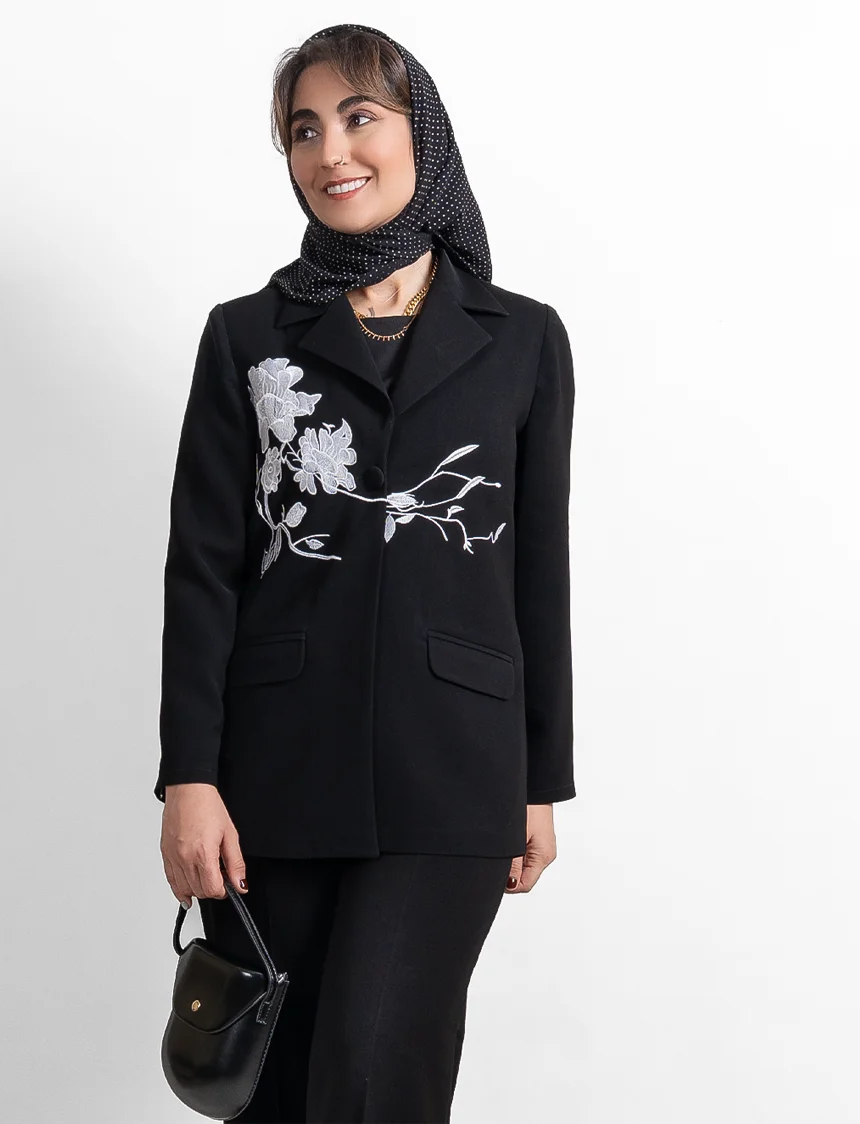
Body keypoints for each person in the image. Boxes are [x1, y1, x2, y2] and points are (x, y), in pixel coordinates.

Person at [156, 23, 576, 1123]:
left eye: (358, 117)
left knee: (375, 1073)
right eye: (303, 130)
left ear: (418, 133)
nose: (330, 151)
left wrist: (539, 776)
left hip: (453, 770)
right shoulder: (246, 336)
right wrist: (188, 778)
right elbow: (202, 569)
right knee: (274, 1092)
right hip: (273, 774)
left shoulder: (523, 339)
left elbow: (537, 571)